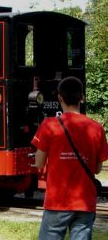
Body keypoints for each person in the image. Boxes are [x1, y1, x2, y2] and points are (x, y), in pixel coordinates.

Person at [32, 76, 108, 239]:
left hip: (57, 200)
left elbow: (38, 162)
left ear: (60, 98)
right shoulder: (97, 128)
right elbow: (96, 168)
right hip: (85, 202)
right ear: (82, 97)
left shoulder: (49, 125)